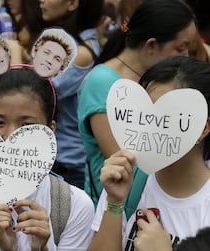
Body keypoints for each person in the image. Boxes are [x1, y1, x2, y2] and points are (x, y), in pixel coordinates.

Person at [0, 68, 94, 251]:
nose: (11, 135)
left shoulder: (72, 206)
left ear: (50, 130)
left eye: (27, 125)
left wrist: (38, 248)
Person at [77, 0, 197, 206]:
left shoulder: (159, 80)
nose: (186, 57)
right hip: (115, 208)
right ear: (151, 45)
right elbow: (123, 162)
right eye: (180, 48)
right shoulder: (102, 83)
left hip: (156, 206)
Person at [87, 56, 210, 251]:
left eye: (166, 117)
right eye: (145, 115)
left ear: (202, 128)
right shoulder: (128, 178)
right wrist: (114, 203)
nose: (151, 125)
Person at [38, 0, 104, 189]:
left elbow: (36, 92)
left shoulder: (80, 52)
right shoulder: (75, 45)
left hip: (69, 164)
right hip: (65, 159)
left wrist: (16, 56)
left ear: (73, 4)